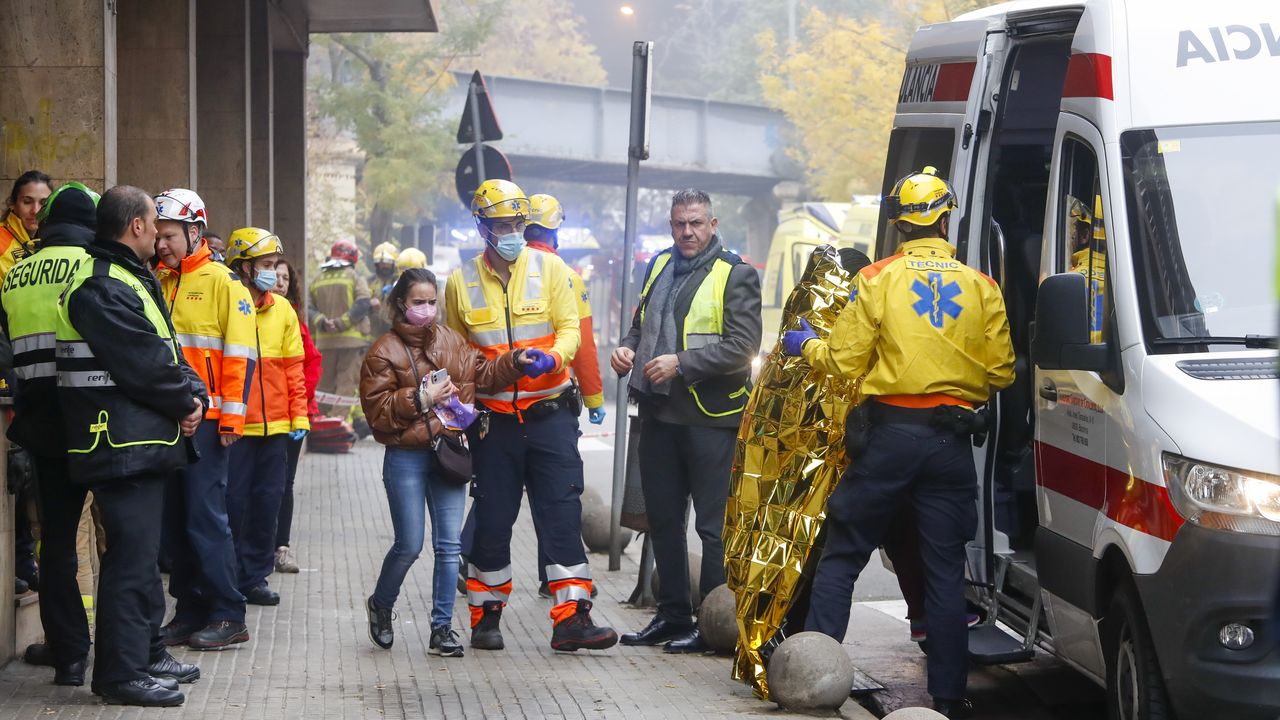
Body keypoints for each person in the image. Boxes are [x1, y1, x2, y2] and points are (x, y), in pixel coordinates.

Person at [780, 167, 1015, 717]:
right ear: (946, 215)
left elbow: (841, 362)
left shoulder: (878, 278)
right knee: (943, 574)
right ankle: (951, 699)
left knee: (842, 555)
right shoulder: (981, 286)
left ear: (900, 222)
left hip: (888, 437)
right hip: (950, 443)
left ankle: (816, 682)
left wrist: (805, 344)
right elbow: (1001, 372)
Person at [444, 179, 617, 652]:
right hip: (494, 422)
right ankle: (485, 616)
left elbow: (570, 330)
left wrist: (555, 359)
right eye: (503, 224)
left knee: (562, 512)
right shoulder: (461, 283)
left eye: (519, 223)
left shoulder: (551, 268)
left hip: (551, 415)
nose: (513, 232)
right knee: (494, 519)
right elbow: (456, 356)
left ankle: (572, 617)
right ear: (483, 227)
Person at [54, 185, 206, 706]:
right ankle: (120, 674)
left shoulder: (126, 278)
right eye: (153, 224)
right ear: (136, 227)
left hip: (137, 440)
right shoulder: (101, 284)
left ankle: (143, 655)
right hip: (118, 441)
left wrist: (195, 395)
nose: (159, 236)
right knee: (130, 560)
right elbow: (145, 365)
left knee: (138, 558)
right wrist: (187, 403)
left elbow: (168, 351)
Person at [613, 189, 762, 653]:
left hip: (710, 418)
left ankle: (712, 622)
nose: (687, 232)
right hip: (659, 413)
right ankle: (672, 614)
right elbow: (640, 326)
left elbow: (743, 347)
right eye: (679, 224)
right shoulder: (658, 264)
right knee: (662, 519)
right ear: (671, 225)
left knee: (713, 527)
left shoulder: (735, 274)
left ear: (713, 224)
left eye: (696, 223)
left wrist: (682, 362)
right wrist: (626, 348)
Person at [360, 267, 529, 657]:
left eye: (432, 302)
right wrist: (422, 399)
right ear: (402, 303)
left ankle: (442, 629)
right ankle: (381, 604)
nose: (427, 309)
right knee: (409, 544)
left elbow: (482, 374)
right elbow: (378, 413)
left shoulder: (453, 340)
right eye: (419, 302)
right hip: (406, 456)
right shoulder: (383, 350)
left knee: (449, 547)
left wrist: (515, 361)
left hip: (450, 453)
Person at [0, 182, 100, 686]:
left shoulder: (15, 273)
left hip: (40, 425)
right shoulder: (97, 267)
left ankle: (68, 656)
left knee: (56, 544)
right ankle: (132, 651)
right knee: (127, 537)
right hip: (102, 424)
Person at [152, 188, 254, 650]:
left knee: (204, 518)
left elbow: (240, 356)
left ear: (195, 231)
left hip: (211, 421)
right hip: (172, 419)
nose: (161, 244)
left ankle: (228, 612)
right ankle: (190, 610)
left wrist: (231, 419)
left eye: (169, 235)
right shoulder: (161, 280)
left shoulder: (224, 283)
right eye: (157, 236)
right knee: (176, 522)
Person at [224, 228, 310, 607]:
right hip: (237, 426)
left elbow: (295, 370)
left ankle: (255, 576)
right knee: (233, 504)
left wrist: (299, 418)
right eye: (266, 265)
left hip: (276, 427)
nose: (274, 273)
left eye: (276, 265)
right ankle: (230, 575)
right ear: (243, 267)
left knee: (267, 503)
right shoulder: (228, 303)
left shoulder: (284, 310)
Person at [271, 258, 322, 574]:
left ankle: (281, 548)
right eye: (274, 275)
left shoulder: (295, 321)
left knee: (285, 483)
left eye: (284, 277)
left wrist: (297, 403)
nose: (278, 282)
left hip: (292, 416)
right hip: (259, 417)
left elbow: (310, 365)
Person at [310, 239, 372, 435]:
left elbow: (309, 307)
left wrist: (323, 321)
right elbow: (363, 303)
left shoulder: (318, 278)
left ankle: (317, 423)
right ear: (353, 258)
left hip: (325, 341)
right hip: (351, 341)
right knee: (346, 383)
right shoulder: (354, 276)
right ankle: (337, 425)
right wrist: (342, 322)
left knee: (324, 383)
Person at [0, 170, 53, 277]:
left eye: (43, 203)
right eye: (27, 202)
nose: (36, 210)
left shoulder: (54, 240)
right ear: (12, 203)